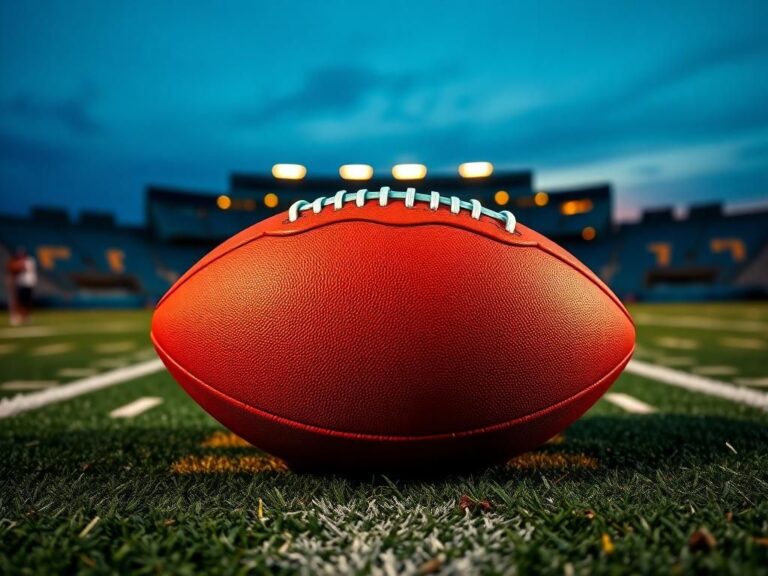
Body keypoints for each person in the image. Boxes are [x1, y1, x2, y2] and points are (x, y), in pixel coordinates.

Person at [6, 247, 37, 325]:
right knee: (19, 300)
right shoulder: (17, 261)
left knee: (27, 301)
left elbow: (23, 268)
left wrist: (18, 265)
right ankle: (17, 316)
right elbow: (12, 268)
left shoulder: (29, 261)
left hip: (29, 283)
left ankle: (25, 316)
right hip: (21, 283)